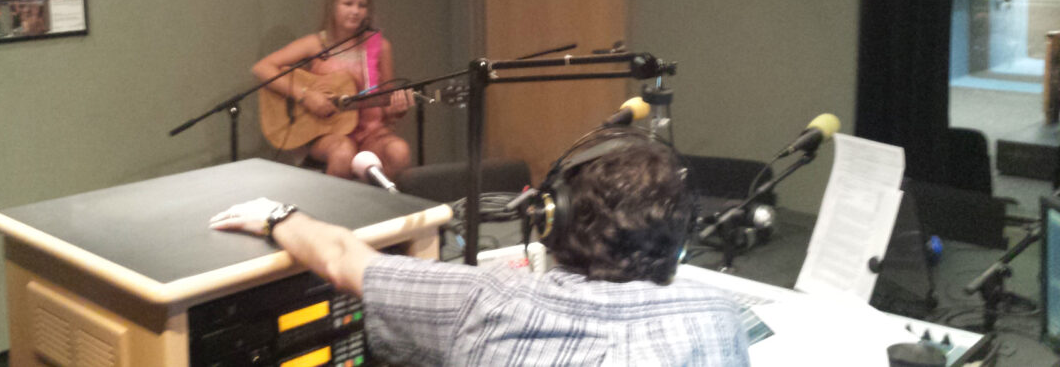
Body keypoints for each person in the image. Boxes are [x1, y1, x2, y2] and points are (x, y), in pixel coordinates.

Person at [210, 127, 750, 366]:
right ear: (678, 237)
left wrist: (277, 215)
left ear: (552, 217)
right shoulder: (719, 320)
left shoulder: (488, 299)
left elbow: (343, 259)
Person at [252, 0, 412, 180]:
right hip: (329, 133)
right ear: (333, 7)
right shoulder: (316, 44)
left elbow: (386, 99)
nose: (355, 11)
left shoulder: (380, 46)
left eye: (362, 5)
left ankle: (376, 208)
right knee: (343, 154)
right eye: (348, 4)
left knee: (399, 153)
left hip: (371, 133)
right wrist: (305, 95)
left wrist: (395, 110)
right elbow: (262, 68)